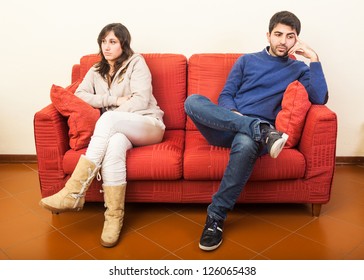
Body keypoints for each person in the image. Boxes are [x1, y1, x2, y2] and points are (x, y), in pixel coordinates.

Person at [184, 11, 328, 251]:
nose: (283, 41)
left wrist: (314, 58)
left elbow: (319, 97)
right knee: (192, 101)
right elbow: (226, 95)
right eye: (278, 34)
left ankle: (215, 218)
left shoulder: (299, 70)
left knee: (247, 141)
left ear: (296, 41)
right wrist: (236, 116)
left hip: (252, 140)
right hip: (230, 124)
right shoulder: (247, 61)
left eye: (290, 36)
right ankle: (259, 128)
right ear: (268, 35)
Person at [39, 23, 165, 248]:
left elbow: (141, 100)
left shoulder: (137, 63)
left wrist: (111, 116)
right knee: (114, 144)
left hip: (149, 124)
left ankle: (74, 191)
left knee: (107, 119)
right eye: (103, 41)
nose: (106, 47)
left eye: (113, 42)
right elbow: (80, 95)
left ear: (123, 44)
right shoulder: (96, 70)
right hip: (119, 129)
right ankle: (113, 217)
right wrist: (112, 101)